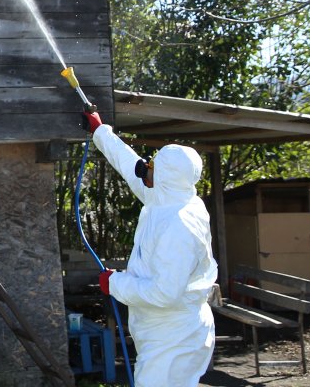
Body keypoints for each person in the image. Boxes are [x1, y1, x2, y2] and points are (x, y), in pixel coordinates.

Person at [83, 110, 218, 387]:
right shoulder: (168, 197)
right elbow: (130, 167)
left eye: (152, 166)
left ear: (166, 175)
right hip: (164, 331)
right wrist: (100, 132)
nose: (146, 167)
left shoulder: (180, 226)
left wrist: (116, 283)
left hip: (175, 336)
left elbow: (164, 293)